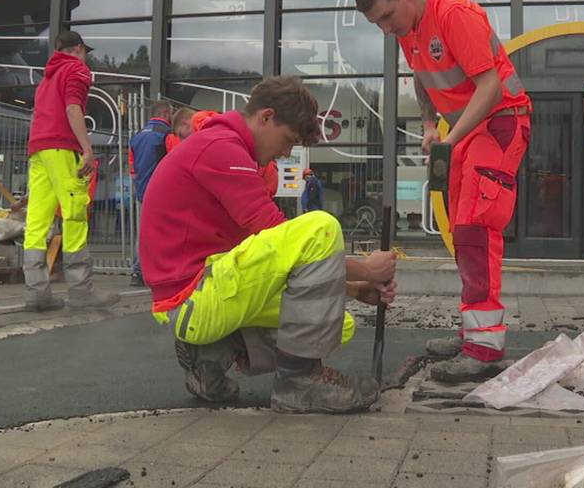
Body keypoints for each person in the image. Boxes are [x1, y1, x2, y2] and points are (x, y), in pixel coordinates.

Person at [140, 76, 398, 414]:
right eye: (288, 140)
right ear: (265, 117)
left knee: (337, 322)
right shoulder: (220, 147)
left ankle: (210, 358)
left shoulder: (228, 148)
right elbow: (275, 233)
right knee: (320, 228)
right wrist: (367, 268)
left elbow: (264, 258)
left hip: (200, 294)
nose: (286, 152)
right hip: (194, 296)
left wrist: (349, 287)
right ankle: (299, 383)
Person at [356, 0, 532, 382]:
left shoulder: (454, 13)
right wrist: (430, 126)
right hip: (465, 129)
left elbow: (489, 87)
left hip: (502, 120)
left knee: (475, 226)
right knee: (460, 230)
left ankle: (485, 349)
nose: (385, 30)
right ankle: (473, 331)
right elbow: (422, 78)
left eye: (386, 17)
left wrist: (451, 141)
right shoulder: (408, 28)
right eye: (377, 24)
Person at [23, 30, 119, 311]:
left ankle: (37, 293)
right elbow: (73, 108)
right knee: (75, 211)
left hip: (39, 149)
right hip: (62, 147)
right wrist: (87, 148)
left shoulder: (46, 79)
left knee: (37, 220)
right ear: (78, 49)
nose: (86, 56)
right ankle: (80, 291)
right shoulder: (77, 70)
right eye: (85, 52)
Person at [127, 103, 194, 286]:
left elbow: (132, 168)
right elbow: (177, 160)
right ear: (165, 113)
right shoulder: (167, 134)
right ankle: (163, 271)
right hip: (163, 191)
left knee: (144, 231)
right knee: (168, 232)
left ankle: (137, 271)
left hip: (142, 190)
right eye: (171, 113)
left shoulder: (136, 136)